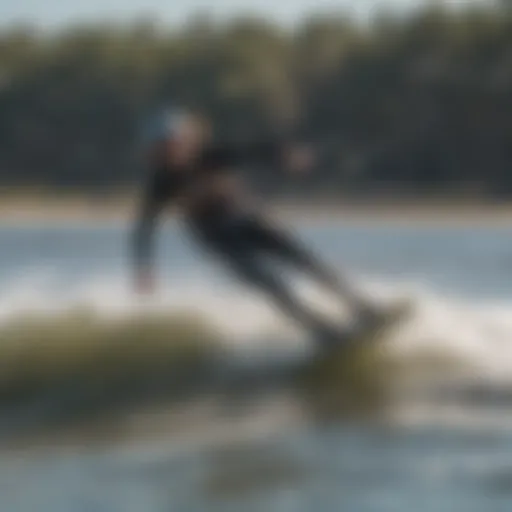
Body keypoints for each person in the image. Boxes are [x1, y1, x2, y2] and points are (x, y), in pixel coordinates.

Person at [132, 106, 383, 346]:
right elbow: (145, 226)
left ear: (187, 139)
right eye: (163, 149)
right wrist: (145, 267)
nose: (171, 152)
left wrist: (285, 154)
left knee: (306, 261)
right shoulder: (162, 182)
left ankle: (362, 308)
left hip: (246, 218)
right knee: (271, 284)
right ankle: (320, 330)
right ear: (154, 152)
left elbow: (254, 151)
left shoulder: (210, 155)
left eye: (175, 144)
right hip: (217, 240)